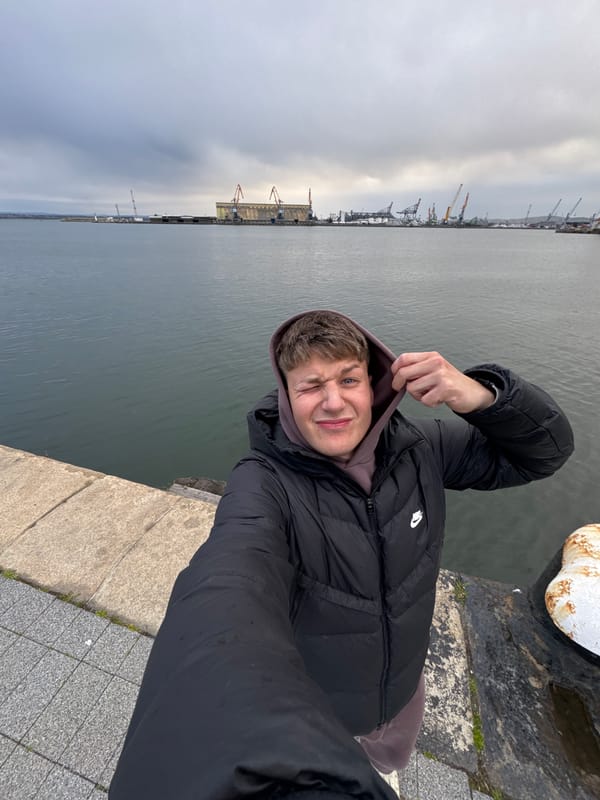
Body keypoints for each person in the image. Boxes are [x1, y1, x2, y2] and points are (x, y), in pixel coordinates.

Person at [109, 310, 574, 800]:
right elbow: (227, 587)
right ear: (287, 396)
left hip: (400, 695)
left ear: (372, 381)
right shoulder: (265, 484)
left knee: (390, 758)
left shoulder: (420, 448)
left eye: (348, 379)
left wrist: (479, 396)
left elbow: (544, 452)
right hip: (315, 714)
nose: (334, 402)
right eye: (311, 385)